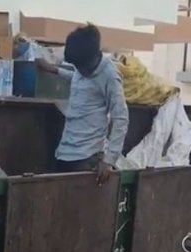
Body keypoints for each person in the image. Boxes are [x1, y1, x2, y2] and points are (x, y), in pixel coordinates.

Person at [37, 24, 129, 183]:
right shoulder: (82, 69)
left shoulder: (109, 75)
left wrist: (109, 160)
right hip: (65, 152)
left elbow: (121, 117)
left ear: (95, 56)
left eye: (82, 68)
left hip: (87, 158)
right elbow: (79, 80)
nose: (81, 71)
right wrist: (54, 70)